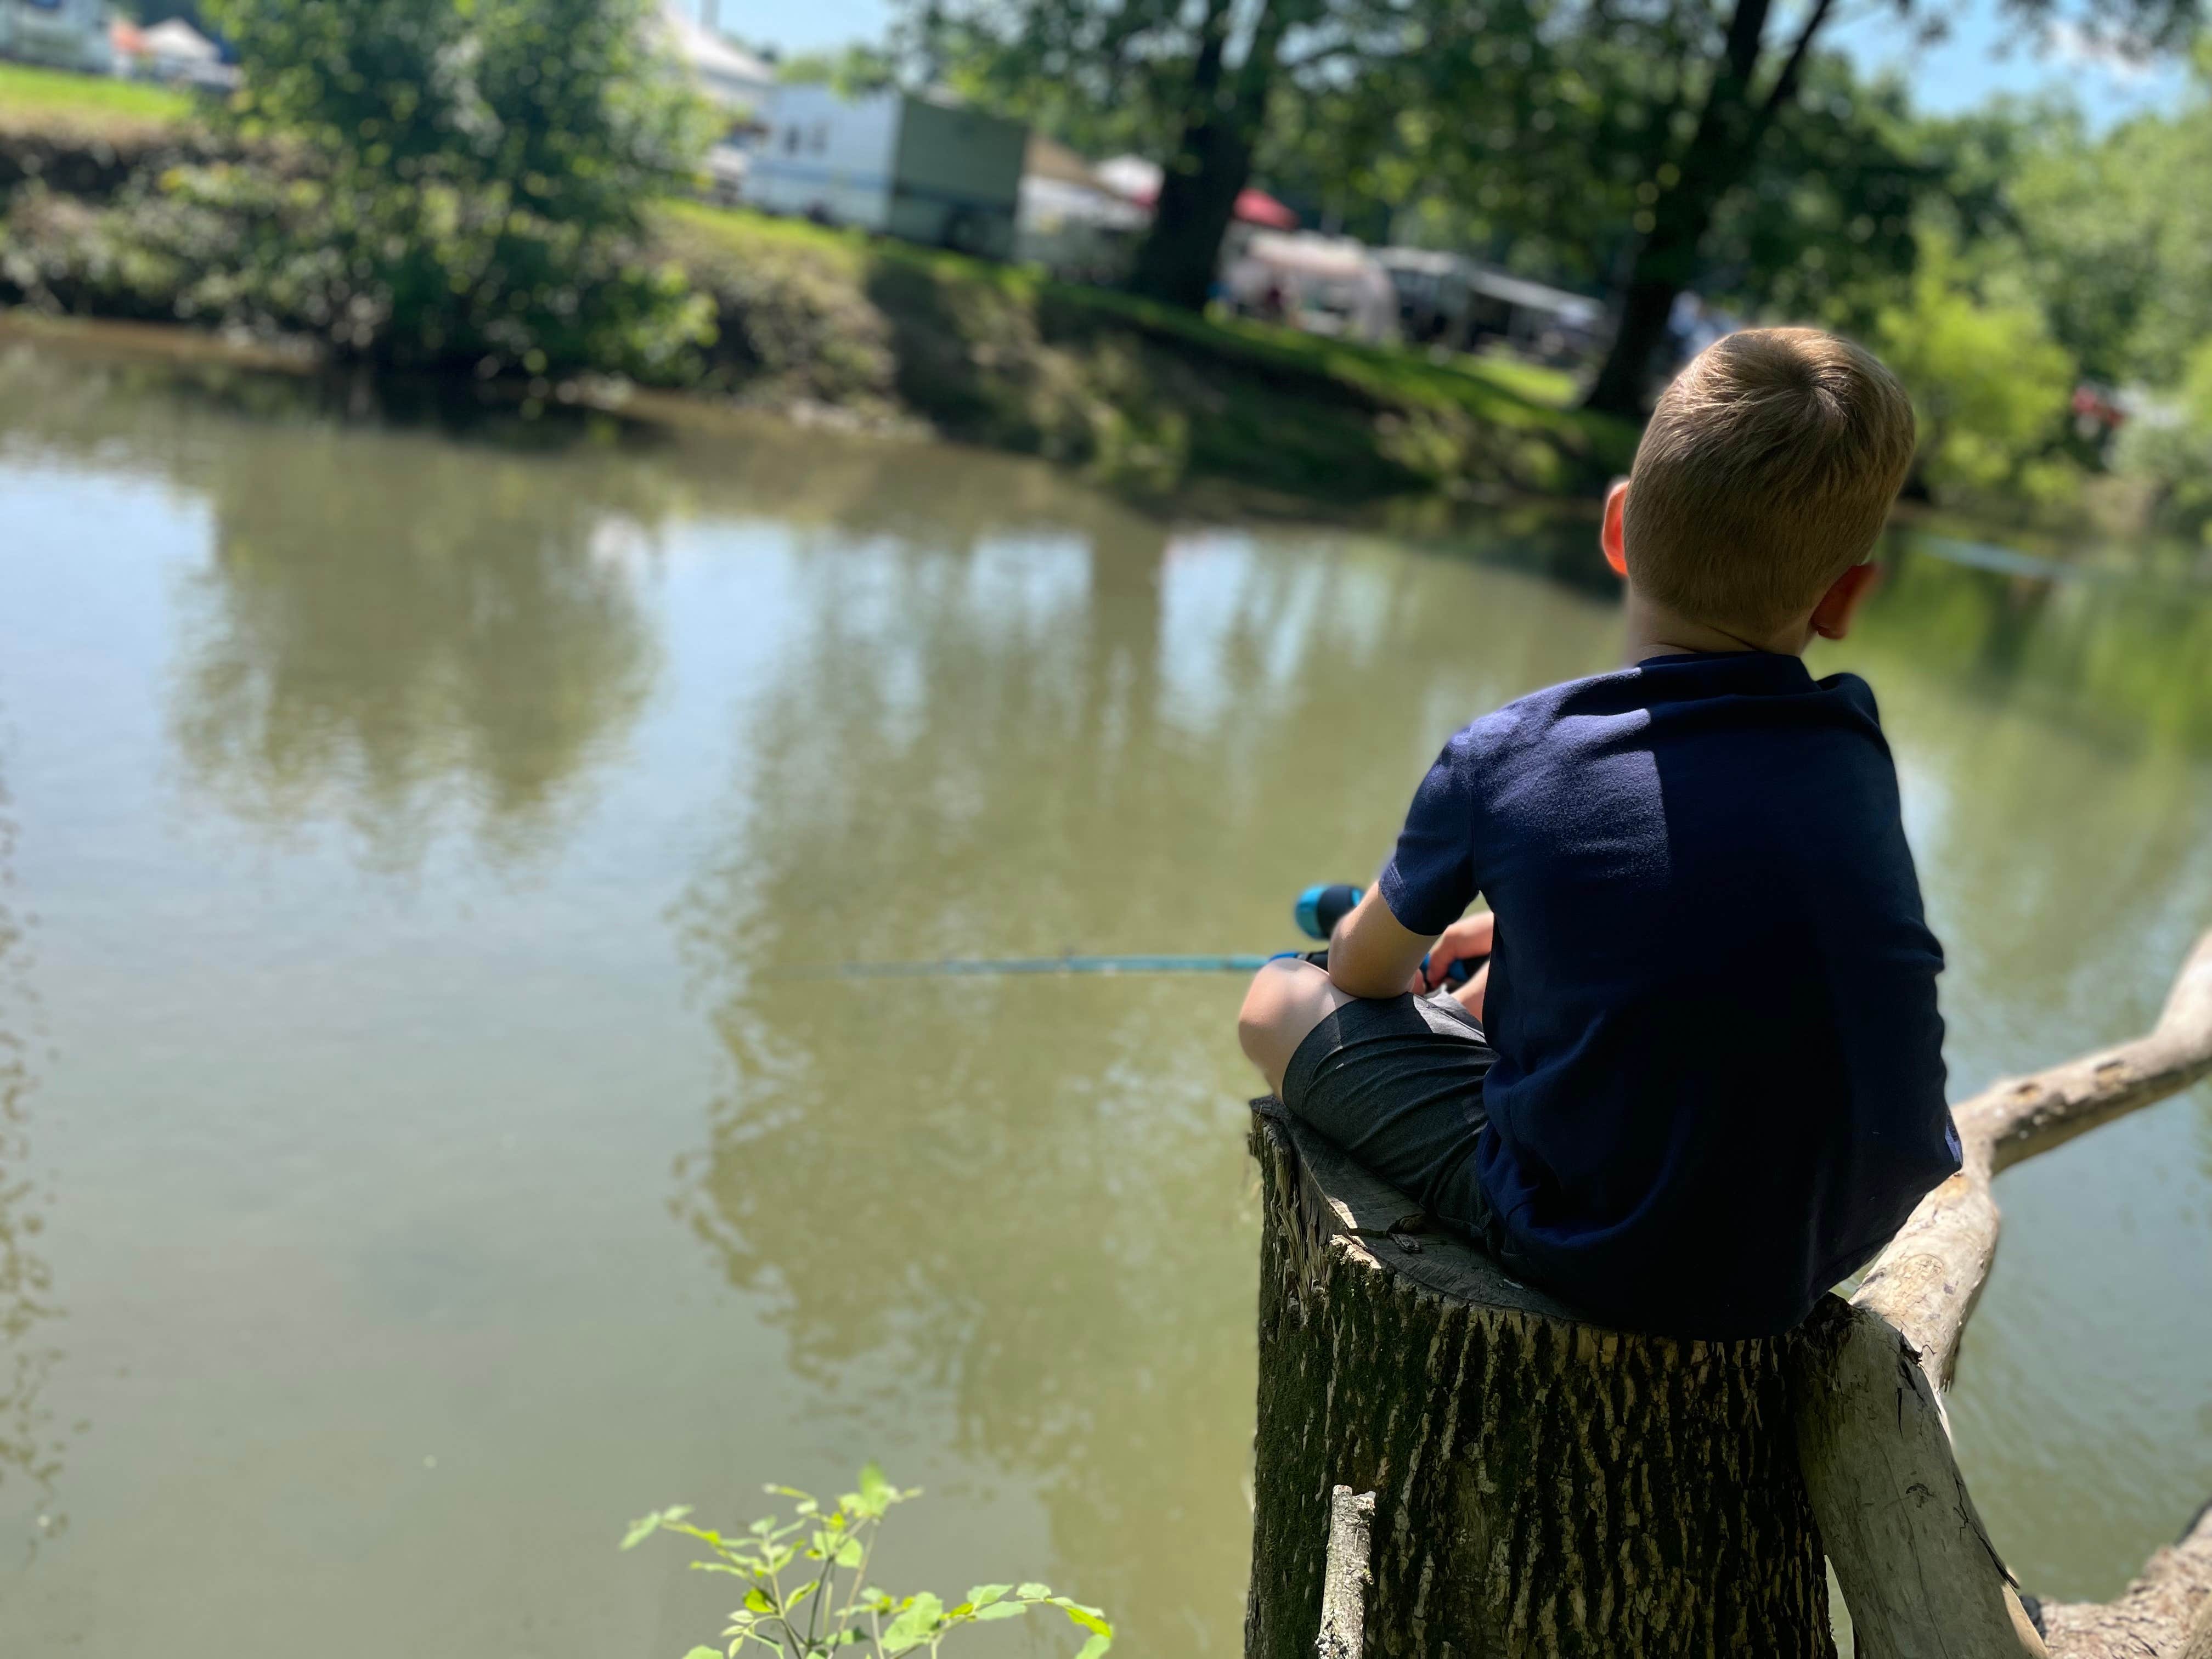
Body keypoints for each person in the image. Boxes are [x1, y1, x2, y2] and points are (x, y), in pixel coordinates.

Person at [1237, 328, 1962, 1340]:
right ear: (1846, 596)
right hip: (1844, 1226)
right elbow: (1731, 927)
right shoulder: (1850, 743)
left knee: (1277, 996)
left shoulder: (1507, 754)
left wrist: (1388, 952)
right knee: (1524, 998)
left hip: (1618, 1248)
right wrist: (1519, 934)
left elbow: (1360, 973)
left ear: (1619, 528)